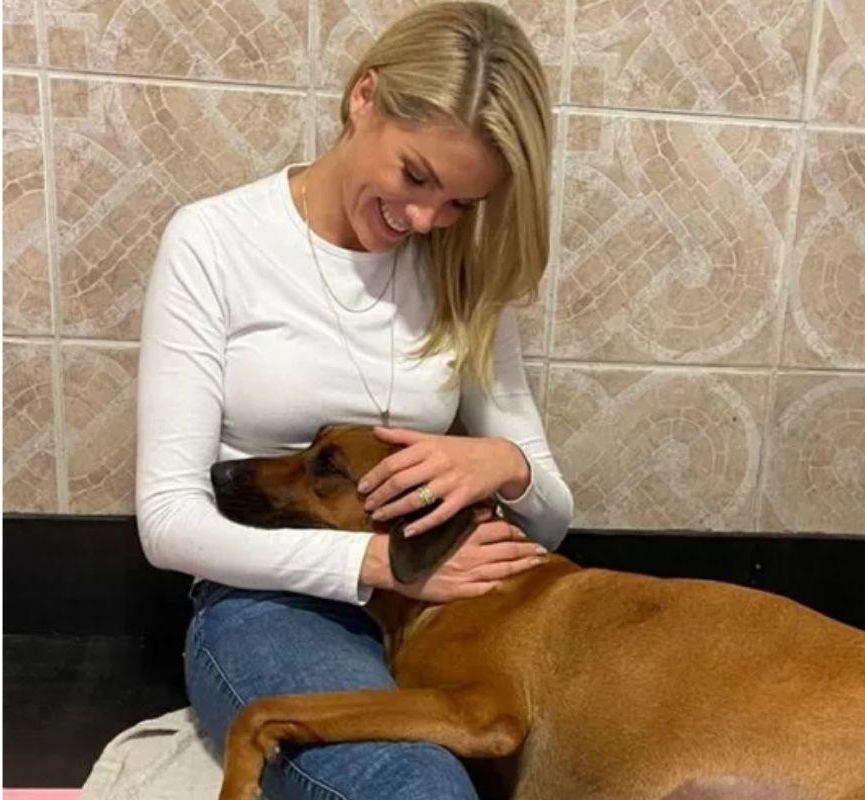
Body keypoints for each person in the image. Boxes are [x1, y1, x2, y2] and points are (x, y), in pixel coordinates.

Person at [134, 3, 574, 798]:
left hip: (446, 601)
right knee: (410, 787)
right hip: (273, 599)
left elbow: (549, 516)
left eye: (459, 203)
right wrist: (378, 565)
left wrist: (505, 463)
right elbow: (169, 522)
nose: (424, 220)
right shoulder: (215, 241)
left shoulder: (458, 271)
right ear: (363, 98)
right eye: (415, 176)